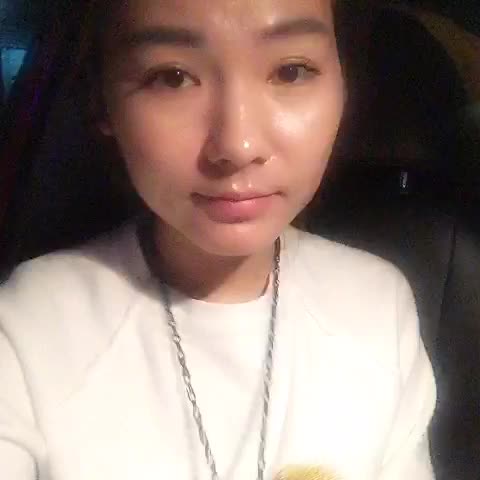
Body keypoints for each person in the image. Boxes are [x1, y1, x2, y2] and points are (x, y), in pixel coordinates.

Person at [0, 1, 436, 479]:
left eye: (291, 71)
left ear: (343, 82)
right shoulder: (29, 329)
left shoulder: (377, 307)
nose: (237, 145)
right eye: (172, 78)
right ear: (102, 102)